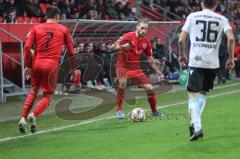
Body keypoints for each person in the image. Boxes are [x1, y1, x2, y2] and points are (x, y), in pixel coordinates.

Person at [178, 0, 235, 141]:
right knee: (202, 93)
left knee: (192, 95)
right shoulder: (222, 19)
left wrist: (182, 55)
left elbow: (181, 40)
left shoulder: (192, 16)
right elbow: (232, 39)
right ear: (216, 5)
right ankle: (194, 122)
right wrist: (231, 59)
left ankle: (197, 128)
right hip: (212, 63)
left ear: (202, 3)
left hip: (196, 61)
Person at [18, 6, 77, 134]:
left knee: (33, 91)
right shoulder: (63, 29)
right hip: (51, 65)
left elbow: (27, 47)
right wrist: (73, 69)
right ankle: (34, 115)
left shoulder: (35, 28)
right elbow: (71, 53)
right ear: (58, 17)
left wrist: (27, 66)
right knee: (48, 95)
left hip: (37, 63)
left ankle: (23, 118)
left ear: (46, 17)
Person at [110, 18, 163, 119]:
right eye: (142, 28)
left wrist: (159, 72)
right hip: (122, 66)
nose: (144, 30)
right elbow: (112, 47)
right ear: (137, 27)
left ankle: (154, 111)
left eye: (146, 29)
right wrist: (122, 47)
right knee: (122, 83)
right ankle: (119, 109)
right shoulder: (127, 36)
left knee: (150, 89)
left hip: (135, 69)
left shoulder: (146, 41)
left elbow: (150, 59)